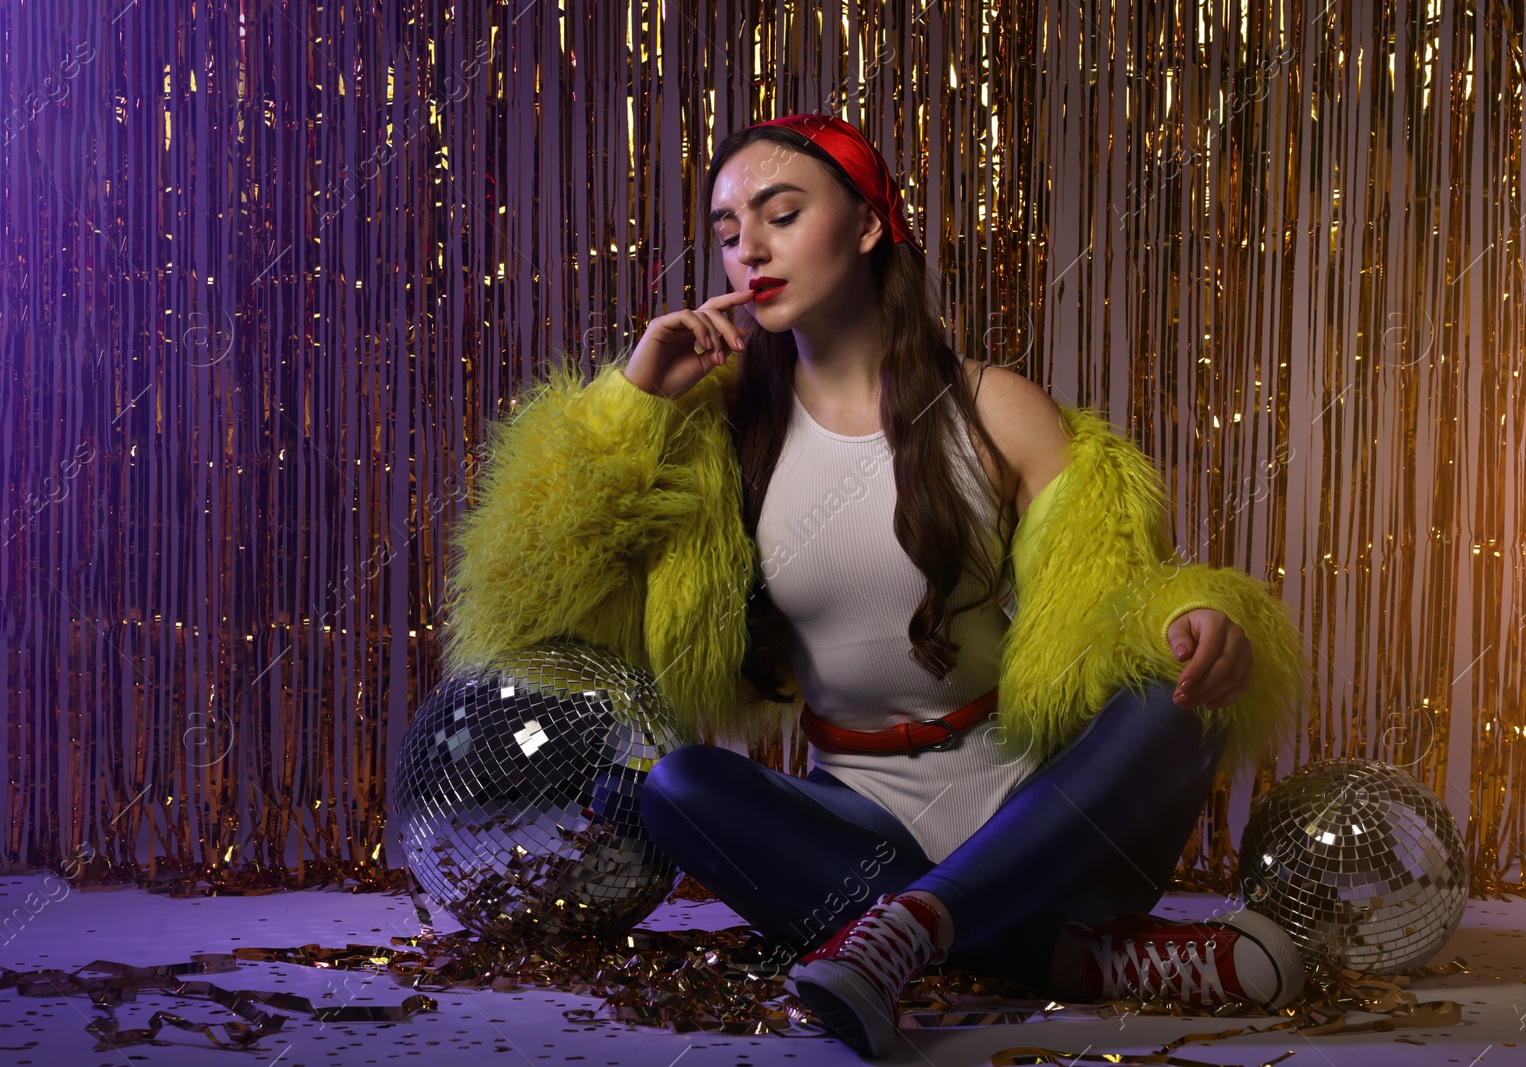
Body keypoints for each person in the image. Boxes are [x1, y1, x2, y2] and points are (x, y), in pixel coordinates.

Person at [441, 114, 1313, 1060]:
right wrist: (632, 402)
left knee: (1178, 693)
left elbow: (1110, 600)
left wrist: (1189, 617)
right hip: (853, 827)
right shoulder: (717, 433)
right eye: (730, 232)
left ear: (866, 226)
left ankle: (911, 929)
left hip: (1051, 812)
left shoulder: (993, 407)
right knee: (677, 785)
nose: (750, 250)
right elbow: (528, 617)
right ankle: (1063, 957)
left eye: (780, 214)